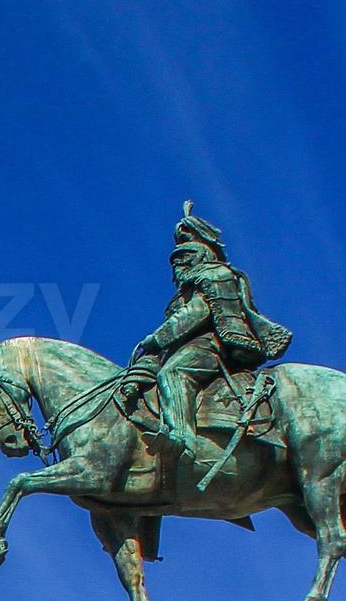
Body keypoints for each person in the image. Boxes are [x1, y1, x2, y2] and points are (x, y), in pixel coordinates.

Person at [115, 205, 293, 481]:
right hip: (187, 347)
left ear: (202, 250)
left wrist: (156, 337)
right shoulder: (187, 289)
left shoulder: (214, 275)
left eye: (184, 255)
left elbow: (197, 314)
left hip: (212, 346)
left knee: (173, 373)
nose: (178, 263)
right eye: (176, 259)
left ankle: (181, 440)